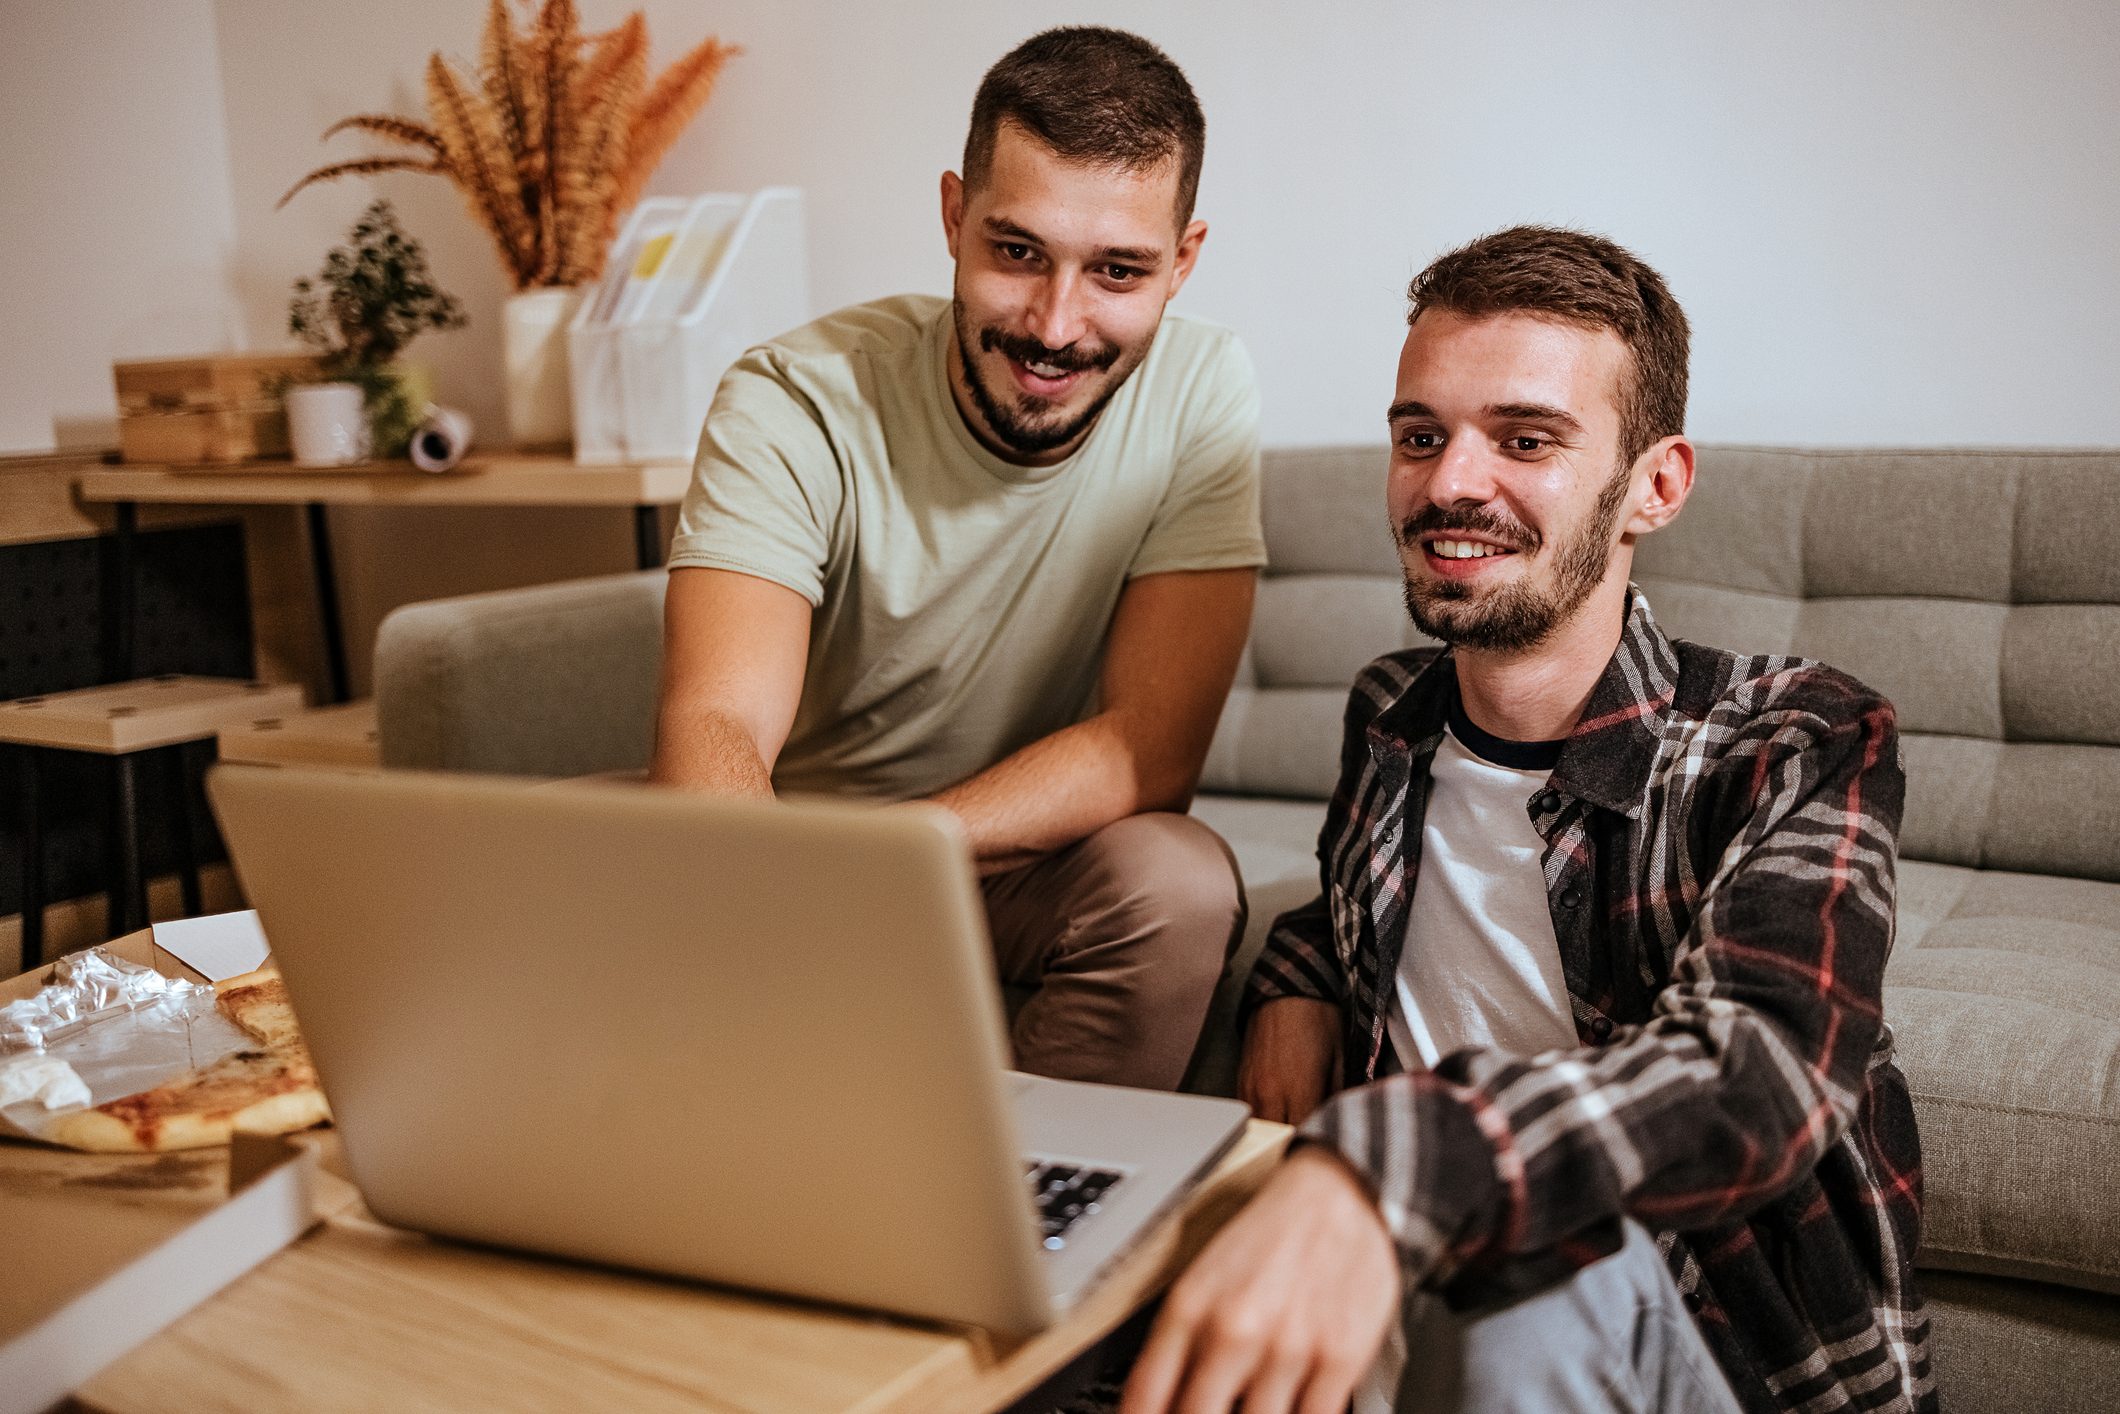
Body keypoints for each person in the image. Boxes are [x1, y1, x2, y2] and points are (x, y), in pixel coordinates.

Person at [1122, 227, 1933, 1413]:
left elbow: (1759, 1073)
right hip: (1400, 1338)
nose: (1450, 482)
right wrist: (1289, 981)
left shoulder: (1793, 738)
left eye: (1523, 440)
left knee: (1537, 1275)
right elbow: (1356, 899)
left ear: (1652, 485)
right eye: (1418, 435)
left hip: (1680, 1345)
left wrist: (1396, 1160)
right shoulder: (1391, 715)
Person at [650, 27, 1263, 1092]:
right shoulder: (793, 399)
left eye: (1116, 271)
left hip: (1002, 866)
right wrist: (783, 888)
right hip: (784, 851)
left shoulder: (1203, 388)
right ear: (951, 216)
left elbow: (1149, 748)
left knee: (1179, 878)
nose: (1055, 325)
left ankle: (1036, 1212)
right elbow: (716, 721)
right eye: (1016, 251)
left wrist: (886, 865)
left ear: (1183, 261)